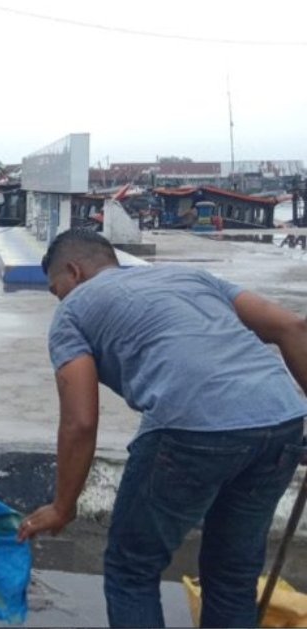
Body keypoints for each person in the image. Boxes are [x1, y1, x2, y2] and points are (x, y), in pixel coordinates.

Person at [17, 228, 307, 627]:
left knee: (131, 570)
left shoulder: (73, 311)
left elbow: (80, 421)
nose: (59, 298)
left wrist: (62, 507)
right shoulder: (190, 277)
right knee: (233, 574)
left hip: (190, 428)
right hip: (282, 419)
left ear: (74, 271)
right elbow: (292, 327)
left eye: (56, 289)